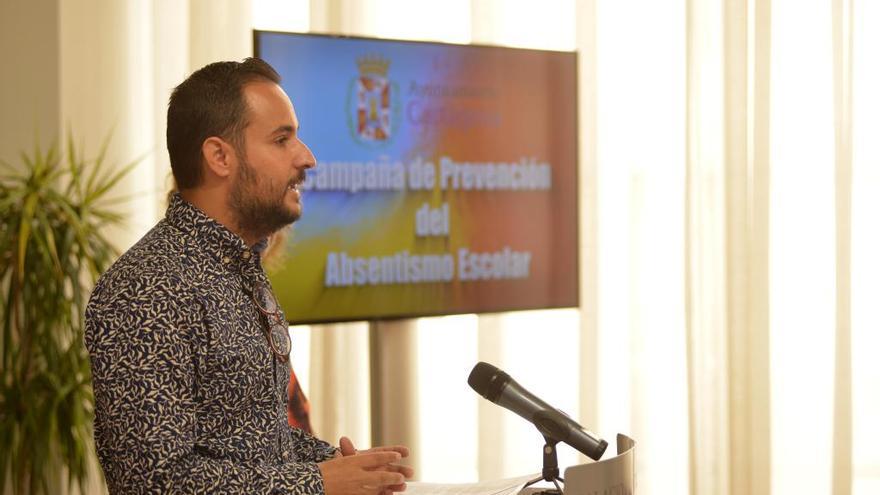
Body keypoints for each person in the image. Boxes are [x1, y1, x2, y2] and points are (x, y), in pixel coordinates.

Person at [84, 57, 413, 494]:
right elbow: (157, 482)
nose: (307, 157)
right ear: (219, 156)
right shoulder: (146, 291)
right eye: (282, 139)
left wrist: (337, 464)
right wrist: (315, 483)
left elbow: (253, 441)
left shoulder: (239, 268)